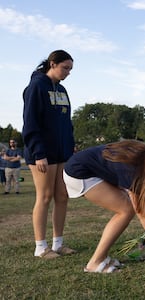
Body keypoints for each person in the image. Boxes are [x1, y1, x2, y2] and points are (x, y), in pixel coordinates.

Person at [63, 139, 145, 273]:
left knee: (127, 208)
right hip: (79, 172)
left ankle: (101, 257)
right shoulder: (133, 169)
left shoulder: (144, 152)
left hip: (84, 166)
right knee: (126, 210)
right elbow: (143, 215)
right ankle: (95, 262)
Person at [22, 50, 75, 259]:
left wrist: (70, 147)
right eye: (65, 68)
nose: (68, 73)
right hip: (41, 154)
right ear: (52, 64)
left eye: (70, 69)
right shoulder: (36, 86)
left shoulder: (62, 90)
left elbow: (66, 123)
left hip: (62, 153)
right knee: (44, 197)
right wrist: (38, 153)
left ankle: (58, 243)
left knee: (62, 196)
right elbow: (30, 123)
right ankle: (40, 247)